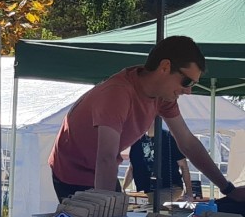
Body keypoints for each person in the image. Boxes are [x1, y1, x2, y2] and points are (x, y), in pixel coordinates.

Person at [48, 35, 245, 204]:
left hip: (101, 169)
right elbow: (105, 157)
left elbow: (188, 143)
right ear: (165, 67)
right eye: (187, 82)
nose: (188, 91)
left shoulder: (162, 97)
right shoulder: (118, 93)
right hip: (71, 171)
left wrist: (228, 189)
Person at [122, 125, 192, 204]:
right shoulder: (137, 141)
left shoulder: (168, 138)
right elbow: (132, 167)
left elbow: (183, 166)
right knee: (151, 208)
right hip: (149, 188)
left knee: (156, 207)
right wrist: (123, 189)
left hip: (171, 186)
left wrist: (189, 192)